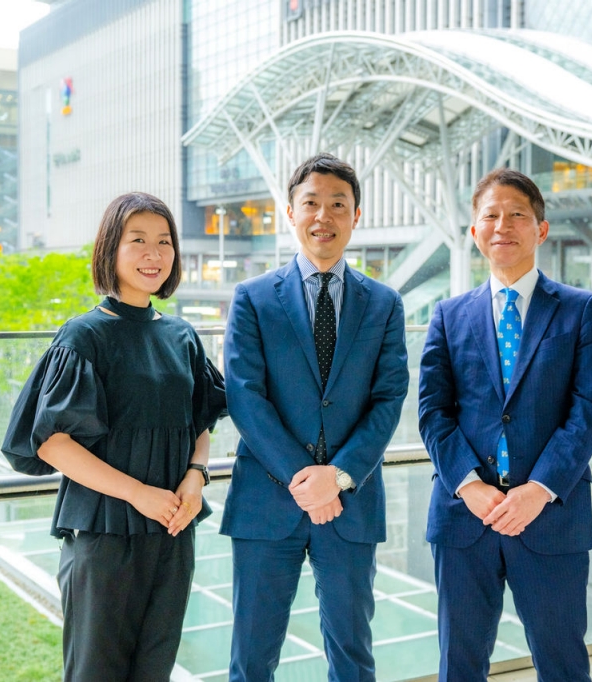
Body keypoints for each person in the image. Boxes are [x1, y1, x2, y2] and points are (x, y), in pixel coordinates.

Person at [1, 192, 227, 681]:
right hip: (104, 536)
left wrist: (196, 476)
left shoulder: (182, 336)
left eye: (164, 242)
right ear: (110, 249)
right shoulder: (83, 336)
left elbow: (200, 420)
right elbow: (52, 442)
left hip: (173, 531)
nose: (154, 254)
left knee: (155, 670)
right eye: (138, 240)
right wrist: (139, 494)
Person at [419, 168, 592, 681]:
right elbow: (433, 412)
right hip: (465, 518)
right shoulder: (447, 315)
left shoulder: (582, 310)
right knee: (459, 666)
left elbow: (588, 411)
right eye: (491, 216)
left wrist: (538, 489)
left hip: (551, 517)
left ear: (541, 229)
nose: (502, 225)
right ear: (474, 232)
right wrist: (470, 487)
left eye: (517, 215)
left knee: (563, 664)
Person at [221, 153, 409, 681]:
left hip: (351, 503)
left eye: (338, 205)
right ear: (290, 212)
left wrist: (338, 477)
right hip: (266, 502)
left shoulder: (384, 303)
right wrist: (305, 480)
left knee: (352, 656)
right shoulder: (253, 298)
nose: (323, 216)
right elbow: (244, 396)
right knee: (252, 657)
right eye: (311, 203)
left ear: (356, 215)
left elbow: (389, 398)